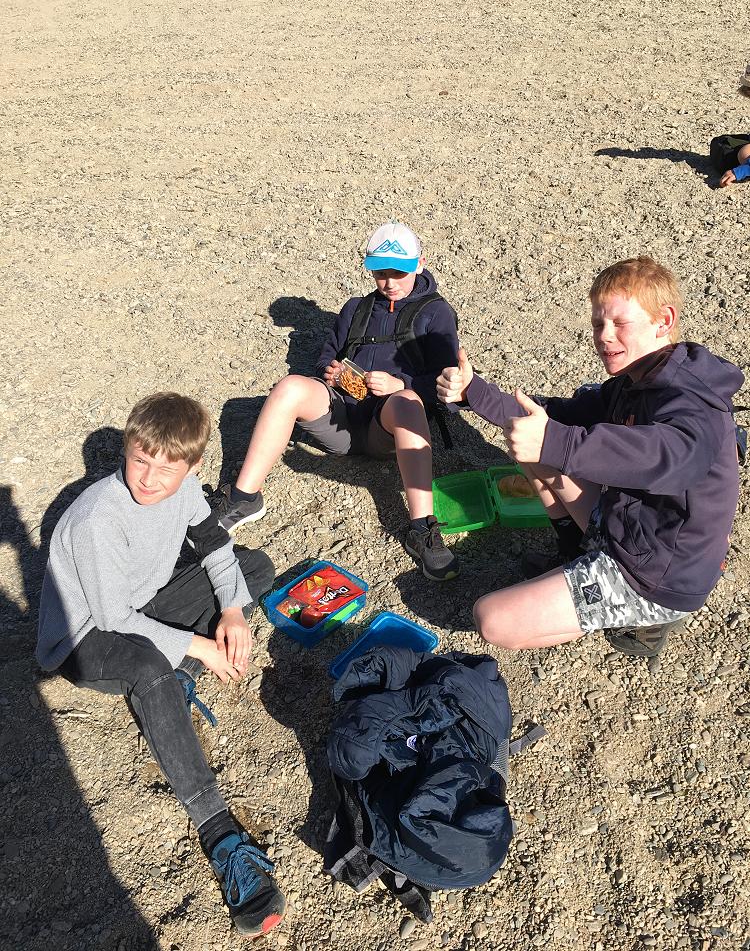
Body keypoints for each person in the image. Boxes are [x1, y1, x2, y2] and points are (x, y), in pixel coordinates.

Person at [36, 392, 286, 938]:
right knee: (150, 664)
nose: (148, 479)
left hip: (142, 602)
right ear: (127, 450)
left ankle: (174, 682)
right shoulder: (99, 518)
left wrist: (232, 611)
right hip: (86, 638)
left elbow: (214, 542)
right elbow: (112, 618)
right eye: (139, 460)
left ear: (194, 467)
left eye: (167, 468)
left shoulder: (188, 489)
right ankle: (219, 831)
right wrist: (199, 646)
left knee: (254, 570)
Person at [437, 256, 743, 658]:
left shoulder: (692, 402)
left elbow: (669, 456)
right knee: (537, 444)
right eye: (598, 324)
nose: (604, 336)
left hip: (655, 575)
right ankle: (574, 552)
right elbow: (555, 416)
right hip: (630, 528)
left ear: (663, 321)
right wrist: (473, 391)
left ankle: (644, 622)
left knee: (491, 619)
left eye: (619, 323)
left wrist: (555, 442)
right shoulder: (635, 380)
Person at [216, 222, 461, 582]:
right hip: (342, 417)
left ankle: (422, 528)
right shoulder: (355, 308)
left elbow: (449, 387)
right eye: (380, 273)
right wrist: (330, 373)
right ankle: (244, 496)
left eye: (399, 272)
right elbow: (326, 357)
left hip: (388, 429)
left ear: (420, 264)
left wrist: (400, 384)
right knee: (289, 387)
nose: (389, 282)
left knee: (407, 401)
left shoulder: (435, 313)